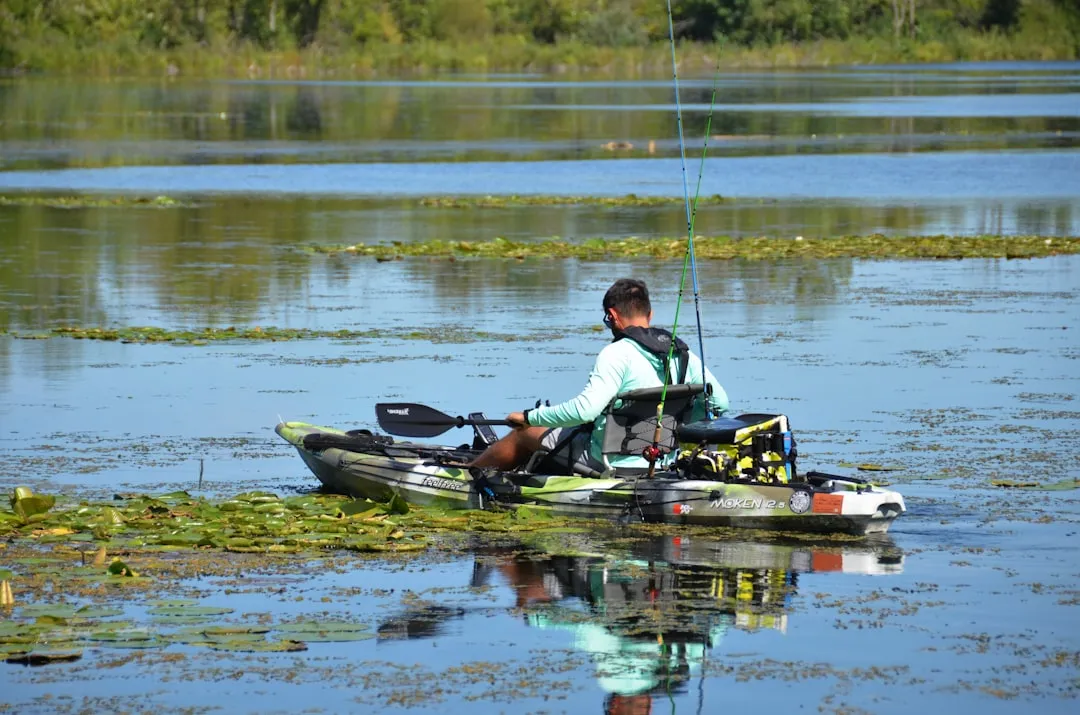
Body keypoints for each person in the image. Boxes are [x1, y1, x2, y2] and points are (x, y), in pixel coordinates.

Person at [470, 278, 727, 475]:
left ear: (612, 316)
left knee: (524, 434)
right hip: (661, 460)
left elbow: (585, 411)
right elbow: (720, 403)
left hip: (606, 460)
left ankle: (468, 478)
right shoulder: (683, 354)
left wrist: (528, 417)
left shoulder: (616, 353)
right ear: (650, 314)